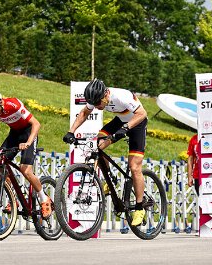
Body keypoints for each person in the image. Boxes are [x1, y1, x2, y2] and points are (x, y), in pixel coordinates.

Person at [64, 79, 149, 226]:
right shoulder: (96, 97)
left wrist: (126, 128)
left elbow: (142, 113)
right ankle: (111, 181)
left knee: (134, 167)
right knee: (98, 146)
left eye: (98, 104)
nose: (96, 107)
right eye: (94, 104)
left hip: (137, 123)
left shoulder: (121, 96)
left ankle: (140, 207)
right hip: (120, 121)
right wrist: (71, 131)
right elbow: (84, 112)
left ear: (105, 96)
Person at [0, 88, 51, 218]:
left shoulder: (13, 104)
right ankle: (13, 199)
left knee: (25, 170)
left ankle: (44, 199)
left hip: (28, 132)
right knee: (0, 164)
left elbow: (36, 124)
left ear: (0, 102)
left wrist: (28, 142)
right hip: (14, 135)